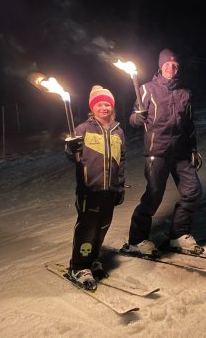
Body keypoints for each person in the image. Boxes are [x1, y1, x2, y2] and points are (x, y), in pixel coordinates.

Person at [122, 48, 203, 256]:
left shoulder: (185, 92)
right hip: (156, 152)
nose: (171, 67)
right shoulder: (147, 89)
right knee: (154, 195)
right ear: (160, 66)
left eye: (175, 65)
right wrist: (137, 118)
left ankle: (178, 235)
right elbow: (133, 118)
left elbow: (189, 124)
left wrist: (193, 148)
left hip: (182, 152)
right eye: (168, 64)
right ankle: (137, 239)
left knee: (192, 191)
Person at [64, 85, 126, 290]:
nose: (104, 107)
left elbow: (121, 160)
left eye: (107, 104)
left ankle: (92, 258)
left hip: (110, 190)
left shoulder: (119, 131)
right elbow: (72, 154)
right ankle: (79, 265)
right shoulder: (83, 129)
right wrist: (70, 148)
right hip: (89, 189)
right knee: (87, 228)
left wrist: (120, 186)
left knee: (102, 227)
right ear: (93, 108)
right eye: (100, 104)